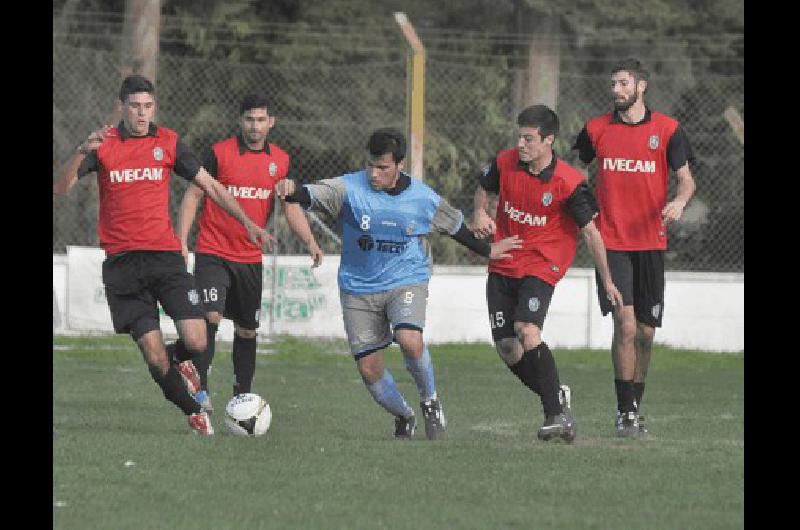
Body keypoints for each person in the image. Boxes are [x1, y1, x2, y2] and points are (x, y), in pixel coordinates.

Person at [53, 74, 273, 435]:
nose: (142, 114)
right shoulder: (103, 145)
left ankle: (181, 361)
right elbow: (60, 188)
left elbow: (211, 187)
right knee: (153, 355)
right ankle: (193, 411)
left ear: (154, 107)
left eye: (148, 106)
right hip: (123, 264)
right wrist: (82, 150)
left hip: (166, 259)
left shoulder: (168, 142)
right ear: (121, 106)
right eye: (135, 107)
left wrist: (248, 222)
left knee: (198, 339)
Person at [275, 128, 521, 440]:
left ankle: (430, 400)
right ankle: (404, 416)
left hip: (407, 278)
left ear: (400, 165)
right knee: (369, 370)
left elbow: (456, 226)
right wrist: (290, 186)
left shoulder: (422, 198)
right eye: (371, 166)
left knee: (409, 339)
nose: (374, 174)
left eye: (383, 168)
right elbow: (305, 194)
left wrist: (488, 251)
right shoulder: (348, 188)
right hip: (357, 286)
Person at [472, 104, 624, 443]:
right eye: (520, 137)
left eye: (529, 139)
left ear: (548, 141)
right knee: (509, 349)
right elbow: (484, 186)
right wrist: (480, 212)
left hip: (543, 264)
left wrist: (608, 280)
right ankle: (557, 396)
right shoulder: (505, 161)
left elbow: (591, 233)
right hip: (504, 261)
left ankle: (554, 414)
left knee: (527, 330)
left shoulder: (569, 183)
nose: (521, 145)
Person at [572, 58, 696, 437]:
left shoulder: (668, 130)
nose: (616, 90)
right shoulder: (595, 130)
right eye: (613, 84)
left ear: (641, 86)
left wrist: (678, 202)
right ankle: (625, 412)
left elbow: (686, 180)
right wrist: (584, 209)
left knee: (645, 332)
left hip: (651, 243)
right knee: (625, 324)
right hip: (612, 243)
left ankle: (634, 404)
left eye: (623, 83)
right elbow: (575, 173)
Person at [175, 94, 323, 412]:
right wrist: (182, 241)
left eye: (260, 120)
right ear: (239, 121)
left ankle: (242, 397)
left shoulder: (280, 161)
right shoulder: (219, 153)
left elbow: (290, 206)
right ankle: (200, 390)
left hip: (250, 258)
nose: (254, 126)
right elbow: (193, 195)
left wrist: (310, 241)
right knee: (211, 315)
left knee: (247, 329)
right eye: (249, 119)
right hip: (213, 250)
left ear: (271, 123)